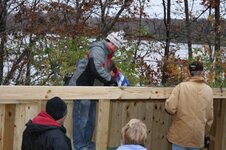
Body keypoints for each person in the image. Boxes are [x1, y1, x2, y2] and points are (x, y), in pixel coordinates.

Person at [69, 32, 125, 150]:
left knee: (90, 121)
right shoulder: (98, 50)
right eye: (116, 46)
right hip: (82, 88)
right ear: (111, 42)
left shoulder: (106, 54)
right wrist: (111, 81)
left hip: (93, 90)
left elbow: (101, 71)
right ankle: (80, 146)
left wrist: (114, 77)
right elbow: (96, 69)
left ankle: (87, 144)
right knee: (81, 120)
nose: (116, 50)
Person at [165, 61, 213, 150]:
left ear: (188, 72)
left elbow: (170, 108)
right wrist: (205, 134)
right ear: (202, 72)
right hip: (197, 136)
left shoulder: (181, 87)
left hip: (179, 135)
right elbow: (209, 118)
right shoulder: (209, 90)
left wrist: (167, 101)